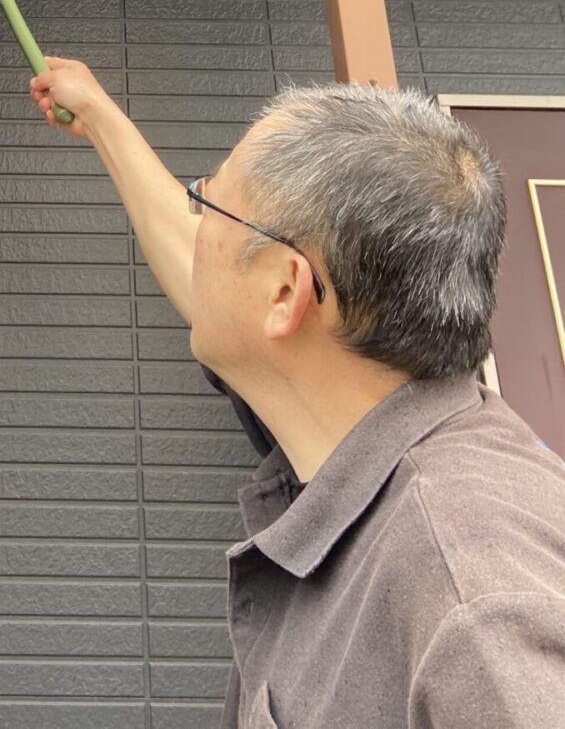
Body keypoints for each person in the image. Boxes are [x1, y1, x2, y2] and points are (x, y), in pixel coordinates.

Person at [29, 57, 565, 728]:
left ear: (284, 291)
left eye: (207, 203)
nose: (196, 228)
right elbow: (209, 278)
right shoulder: (367, 433)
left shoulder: (472, 596)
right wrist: (101, 118)